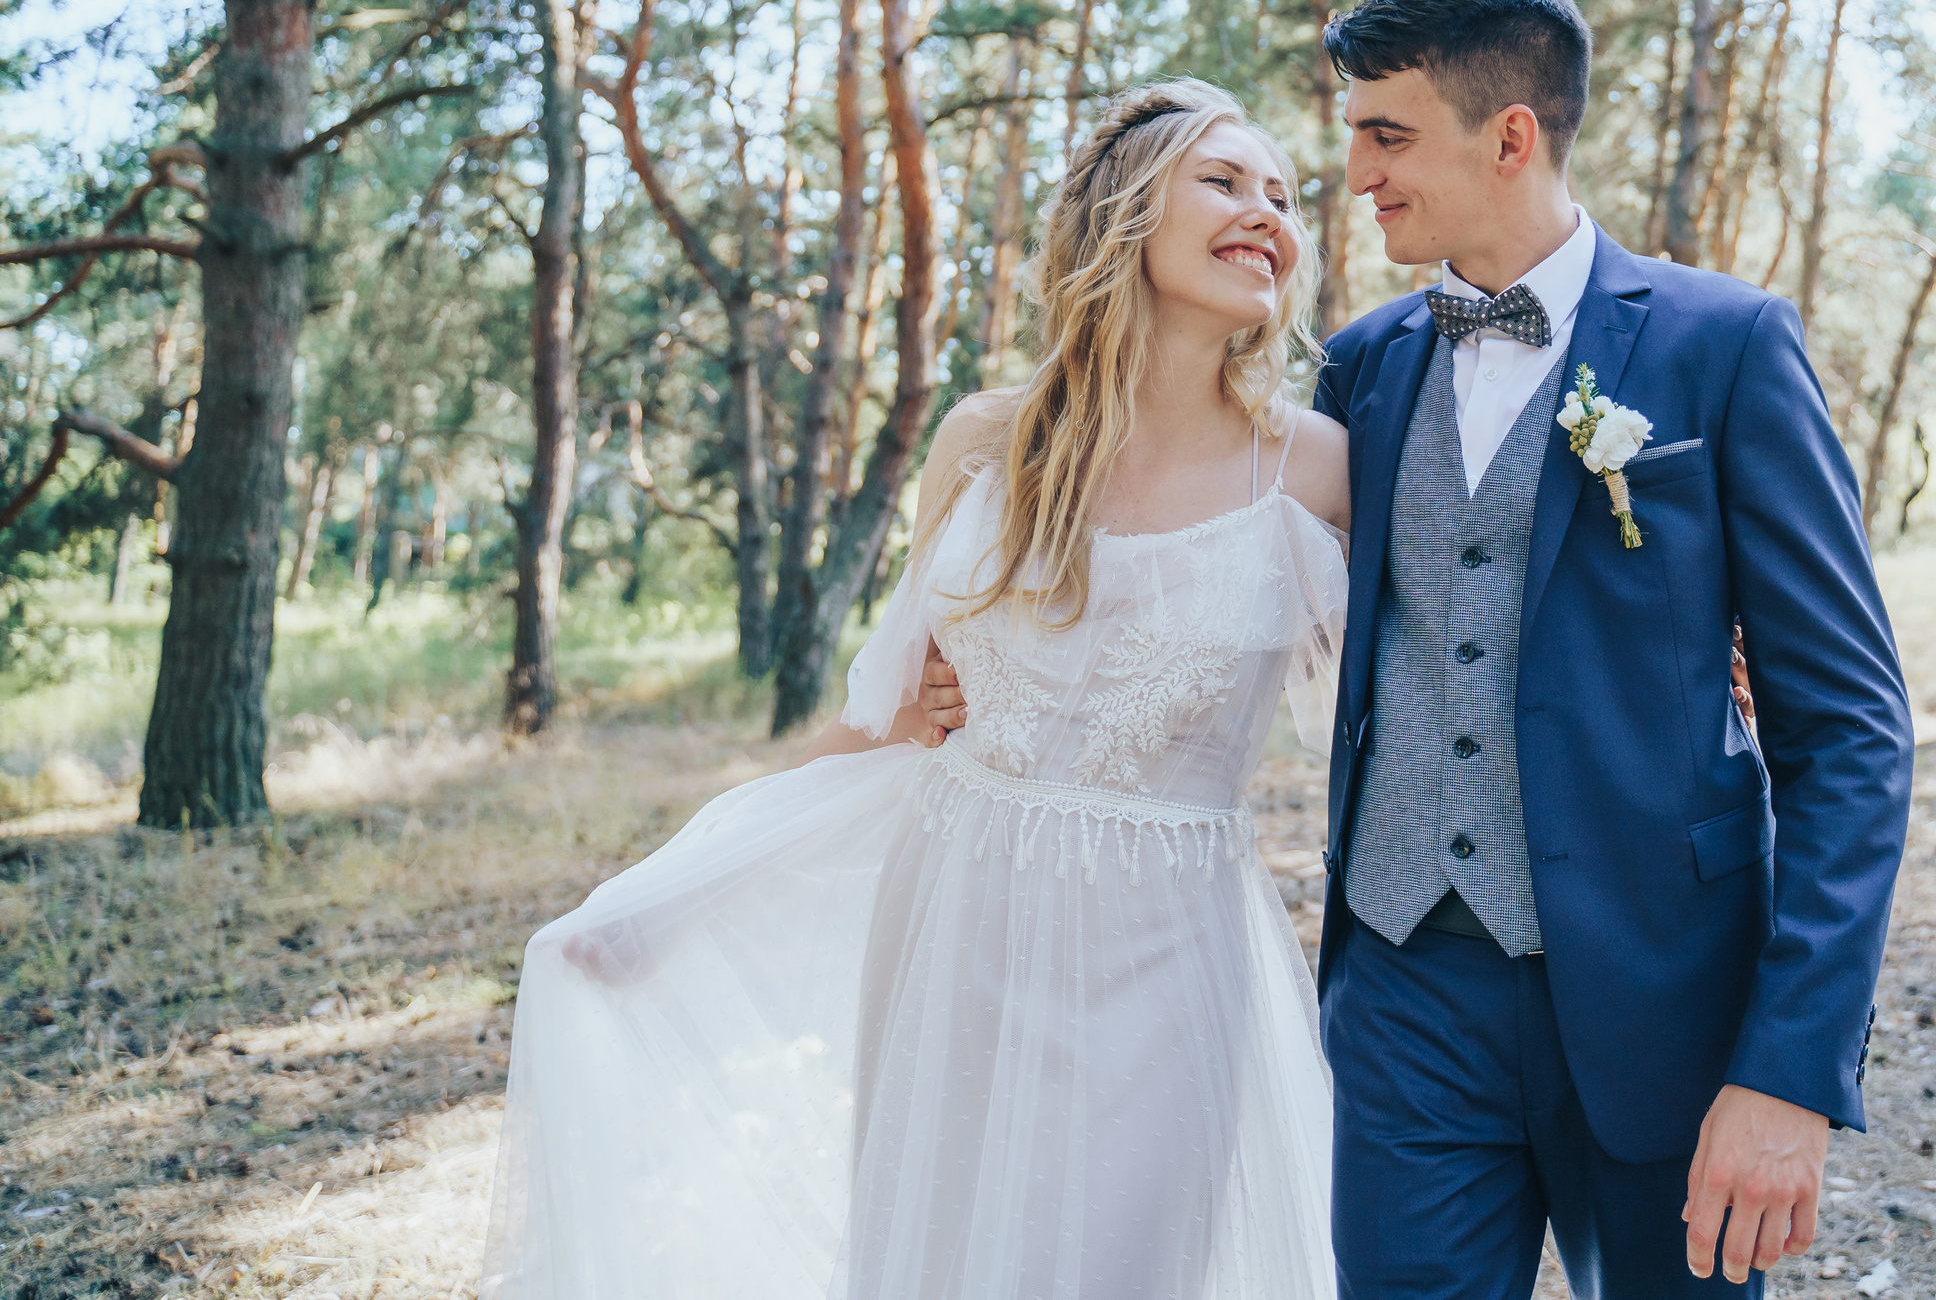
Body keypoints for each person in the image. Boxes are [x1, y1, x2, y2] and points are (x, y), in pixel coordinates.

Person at [481, 78, 1354, 1300]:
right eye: (1226, 181)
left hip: (1166, 943)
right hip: (958, 924)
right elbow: (882, 716)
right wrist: (663, 901)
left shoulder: (1313, 468)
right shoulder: (989, 443)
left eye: (1284, 195)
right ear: (1124, 215)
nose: (1268, 212)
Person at [1310, 0, 1913, 1298]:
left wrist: (1789, 1066)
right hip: (1406, 993)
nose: (1356, 171)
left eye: (1386, 133)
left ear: (1510, 134)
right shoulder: (1359, 366)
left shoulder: (1728, 344)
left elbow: (1851, 730)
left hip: (1669, 1003)